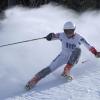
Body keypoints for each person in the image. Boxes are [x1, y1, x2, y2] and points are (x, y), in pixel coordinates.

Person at [25, 21, 100, 90]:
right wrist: (50, 36)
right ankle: (33, 80)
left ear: (74, 30)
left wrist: (95, 53)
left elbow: (89, 46)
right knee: (50, 68)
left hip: (73, 57)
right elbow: (53, 36)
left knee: (78, 50)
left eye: (70, 31)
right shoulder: (62, 35)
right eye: (66, 31)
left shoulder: (79, 38)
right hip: (63, 56)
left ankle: (66, 70)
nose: (68, 33)